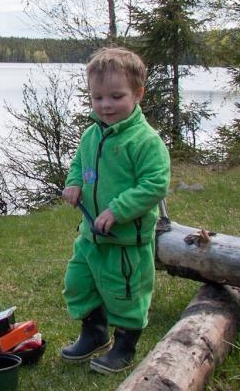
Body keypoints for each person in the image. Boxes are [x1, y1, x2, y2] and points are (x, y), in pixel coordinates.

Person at [59, 46, 170, 374]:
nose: (105, 105)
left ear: (138, 94)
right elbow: (79, 164)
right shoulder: (91, 135)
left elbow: (155, 184)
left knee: (126, 294)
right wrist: (74, 183)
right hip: (89, 235)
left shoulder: (145, 141)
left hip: (124, 241)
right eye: (98, 98)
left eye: (116, 97)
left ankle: (124, 347)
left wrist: (117, 211)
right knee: (78, 282)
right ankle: (93, 333)